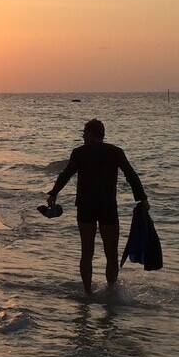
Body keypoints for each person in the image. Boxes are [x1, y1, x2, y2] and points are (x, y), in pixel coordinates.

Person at [46, 119, 149, 295]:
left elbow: (66, 174)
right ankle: (111, 291)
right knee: (111, 253)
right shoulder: (115, 152)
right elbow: (131, 175)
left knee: (87, 252)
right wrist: (142, 199)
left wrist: (54, 193)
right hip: (108, 206)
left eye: (84, 133)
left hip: (86, 207)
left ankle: (87, 293)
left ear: (91, 134)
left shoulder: (79, 153)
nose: (82, 136)